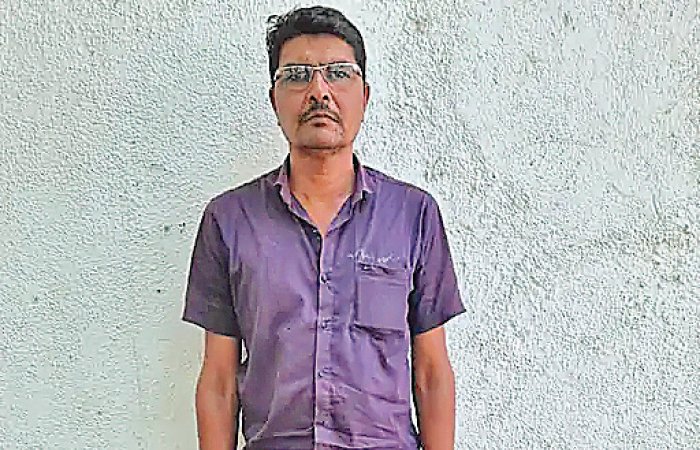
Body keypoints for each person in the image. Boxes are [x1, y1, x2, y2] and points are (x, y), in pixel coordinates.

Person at [182, 6, 465, 450]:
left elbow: (431, 373)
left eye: (338, 73)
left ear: (364, 97)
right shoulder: (229, 220)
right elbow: (218, 380)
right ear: (274, 100)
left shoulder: (413, 215)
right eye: (297, 76)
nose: (319, 91)